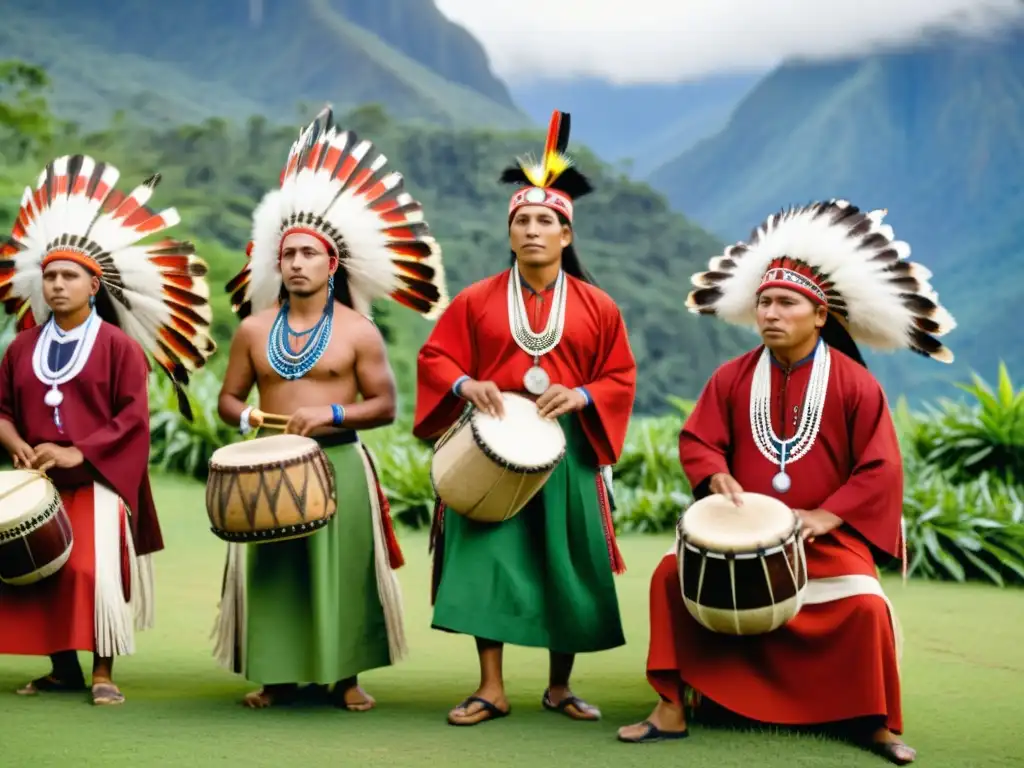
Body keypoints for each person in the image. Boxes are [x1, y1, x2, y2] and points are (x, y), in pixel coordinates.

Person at [616, 200, 958, 764]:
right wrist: (716, 474)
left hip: (825, 541)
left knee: (866, 606)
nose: (771, 313)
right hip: (740, 532)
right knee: (670, 576)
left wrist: (826, 516)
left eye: (786, 303)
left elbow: (881, 466)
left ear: (819, 315)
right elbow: (698, 440)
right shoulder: (731, 378)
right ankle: (670, 708)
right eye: (764, 303)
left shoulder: (854, 385)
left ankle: (875, 721)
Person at [213, 106, 449, 710]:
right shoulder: (252, 328)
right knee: (275, 574)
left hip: (339, 463)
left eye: (308, 255)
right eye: (287, 254)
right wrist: (248, 420)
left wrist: (332, 417)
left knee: (341, 571)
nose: (296, 263)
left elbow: (386, 406)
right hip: (265, 464)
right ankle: (276, 675)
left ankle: (346, 677)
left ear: (331, 263)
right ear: (275, 262)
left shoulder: (358, 332)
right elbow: (228, 399)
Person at [413, 110, 637, 727]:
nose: (533, 229)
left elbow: (619, 375)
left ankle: (560, 686)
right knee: (490, 559)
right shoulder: (477, 301)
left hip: (567, 452)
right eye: (522, 221)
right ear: (509, 234)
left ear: (566, 234)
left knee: (562, 560)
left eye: (546, 220)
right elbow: (435, 357)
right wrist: (467, 382)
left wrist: (584, 396)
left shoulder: (598, 307)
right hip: (492, 447)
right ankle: (491, 687)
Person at [0, 155, 217, 705]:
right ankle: (61, 668)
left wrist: (78, 453)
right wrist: (17, 443)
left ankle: (102, 670)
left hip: (96, 478)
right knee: (42, 571)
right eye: (48, 275)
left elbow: (132, 418)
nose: (56, 284)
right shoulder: (22, 347)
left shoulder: (119, 347)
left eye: (68, 275)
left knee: (92, 571)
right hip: (36, 481)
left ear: (93, 285)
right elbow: (1, 409)